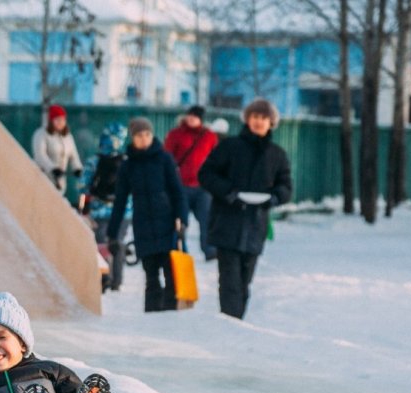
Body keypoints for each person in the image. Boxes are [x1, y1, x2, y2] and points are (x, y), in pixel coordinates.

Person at [197, 98, 292, 320]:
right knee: (229, 280)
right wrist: (228, 192)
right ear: (247, 119)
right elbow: (206, 174)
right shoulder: (230, 147)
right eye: (255, 117)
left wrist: (274, 198)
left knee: (244, 281)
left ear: (271, 123)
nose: (259, 122)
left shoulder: (277, 154)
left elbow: (286, 186)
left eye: (264, 118)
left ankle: (236, 322)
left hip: (255, 225)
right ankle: (231, 323)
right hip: (227, 221)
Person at [105, 118, 189, 312]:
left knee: (170, 272)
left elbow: (178, 192)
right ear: (133, 138)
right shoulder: (127, 166)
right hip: (143, 224)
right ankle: (152, 314)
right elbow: (120, 201)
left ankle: (171, 313)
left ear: (152, 136)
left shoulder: (165, 159)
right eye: (139, 135)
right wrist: (112, 234)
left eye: (147, 134)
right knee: (151, 274)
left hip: (167, 222)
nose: (143, 139)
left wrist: (182, 220)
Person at [164, 105, 219, 261]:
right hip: (181, 185)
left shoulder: (209, 136)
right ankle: (178, 249)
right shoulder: (176, 134)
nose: (191, 119)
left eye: (195, 116)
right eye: (189, 115)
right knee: (180, 220)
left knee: (206, 219)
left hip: (203, 186)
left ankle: (210, 250)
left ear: (200, 119)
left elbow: (216, 159)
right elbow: (167, 157)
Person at [78, 122, 129, 291]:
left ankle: (104, 277)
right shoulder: (127, 161)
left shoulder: (94, 161)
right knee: (118, 243)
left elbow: (82, 185)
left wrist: (87, 202)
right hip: (123, 210)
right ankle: (117, 280)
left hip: (99, 208)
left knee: (101, 244)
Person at [32, 104, 83, 193]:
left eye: (63, 119)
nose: (60, 122)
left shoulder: (68, 137)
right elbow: (40, 155)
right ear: (51, 120)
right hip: (43, 180)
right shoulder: (41, 134)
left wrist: (77, 168)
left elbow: (73, 156)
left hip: (60, 182)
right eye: (57, 119)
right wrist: (52, 168)